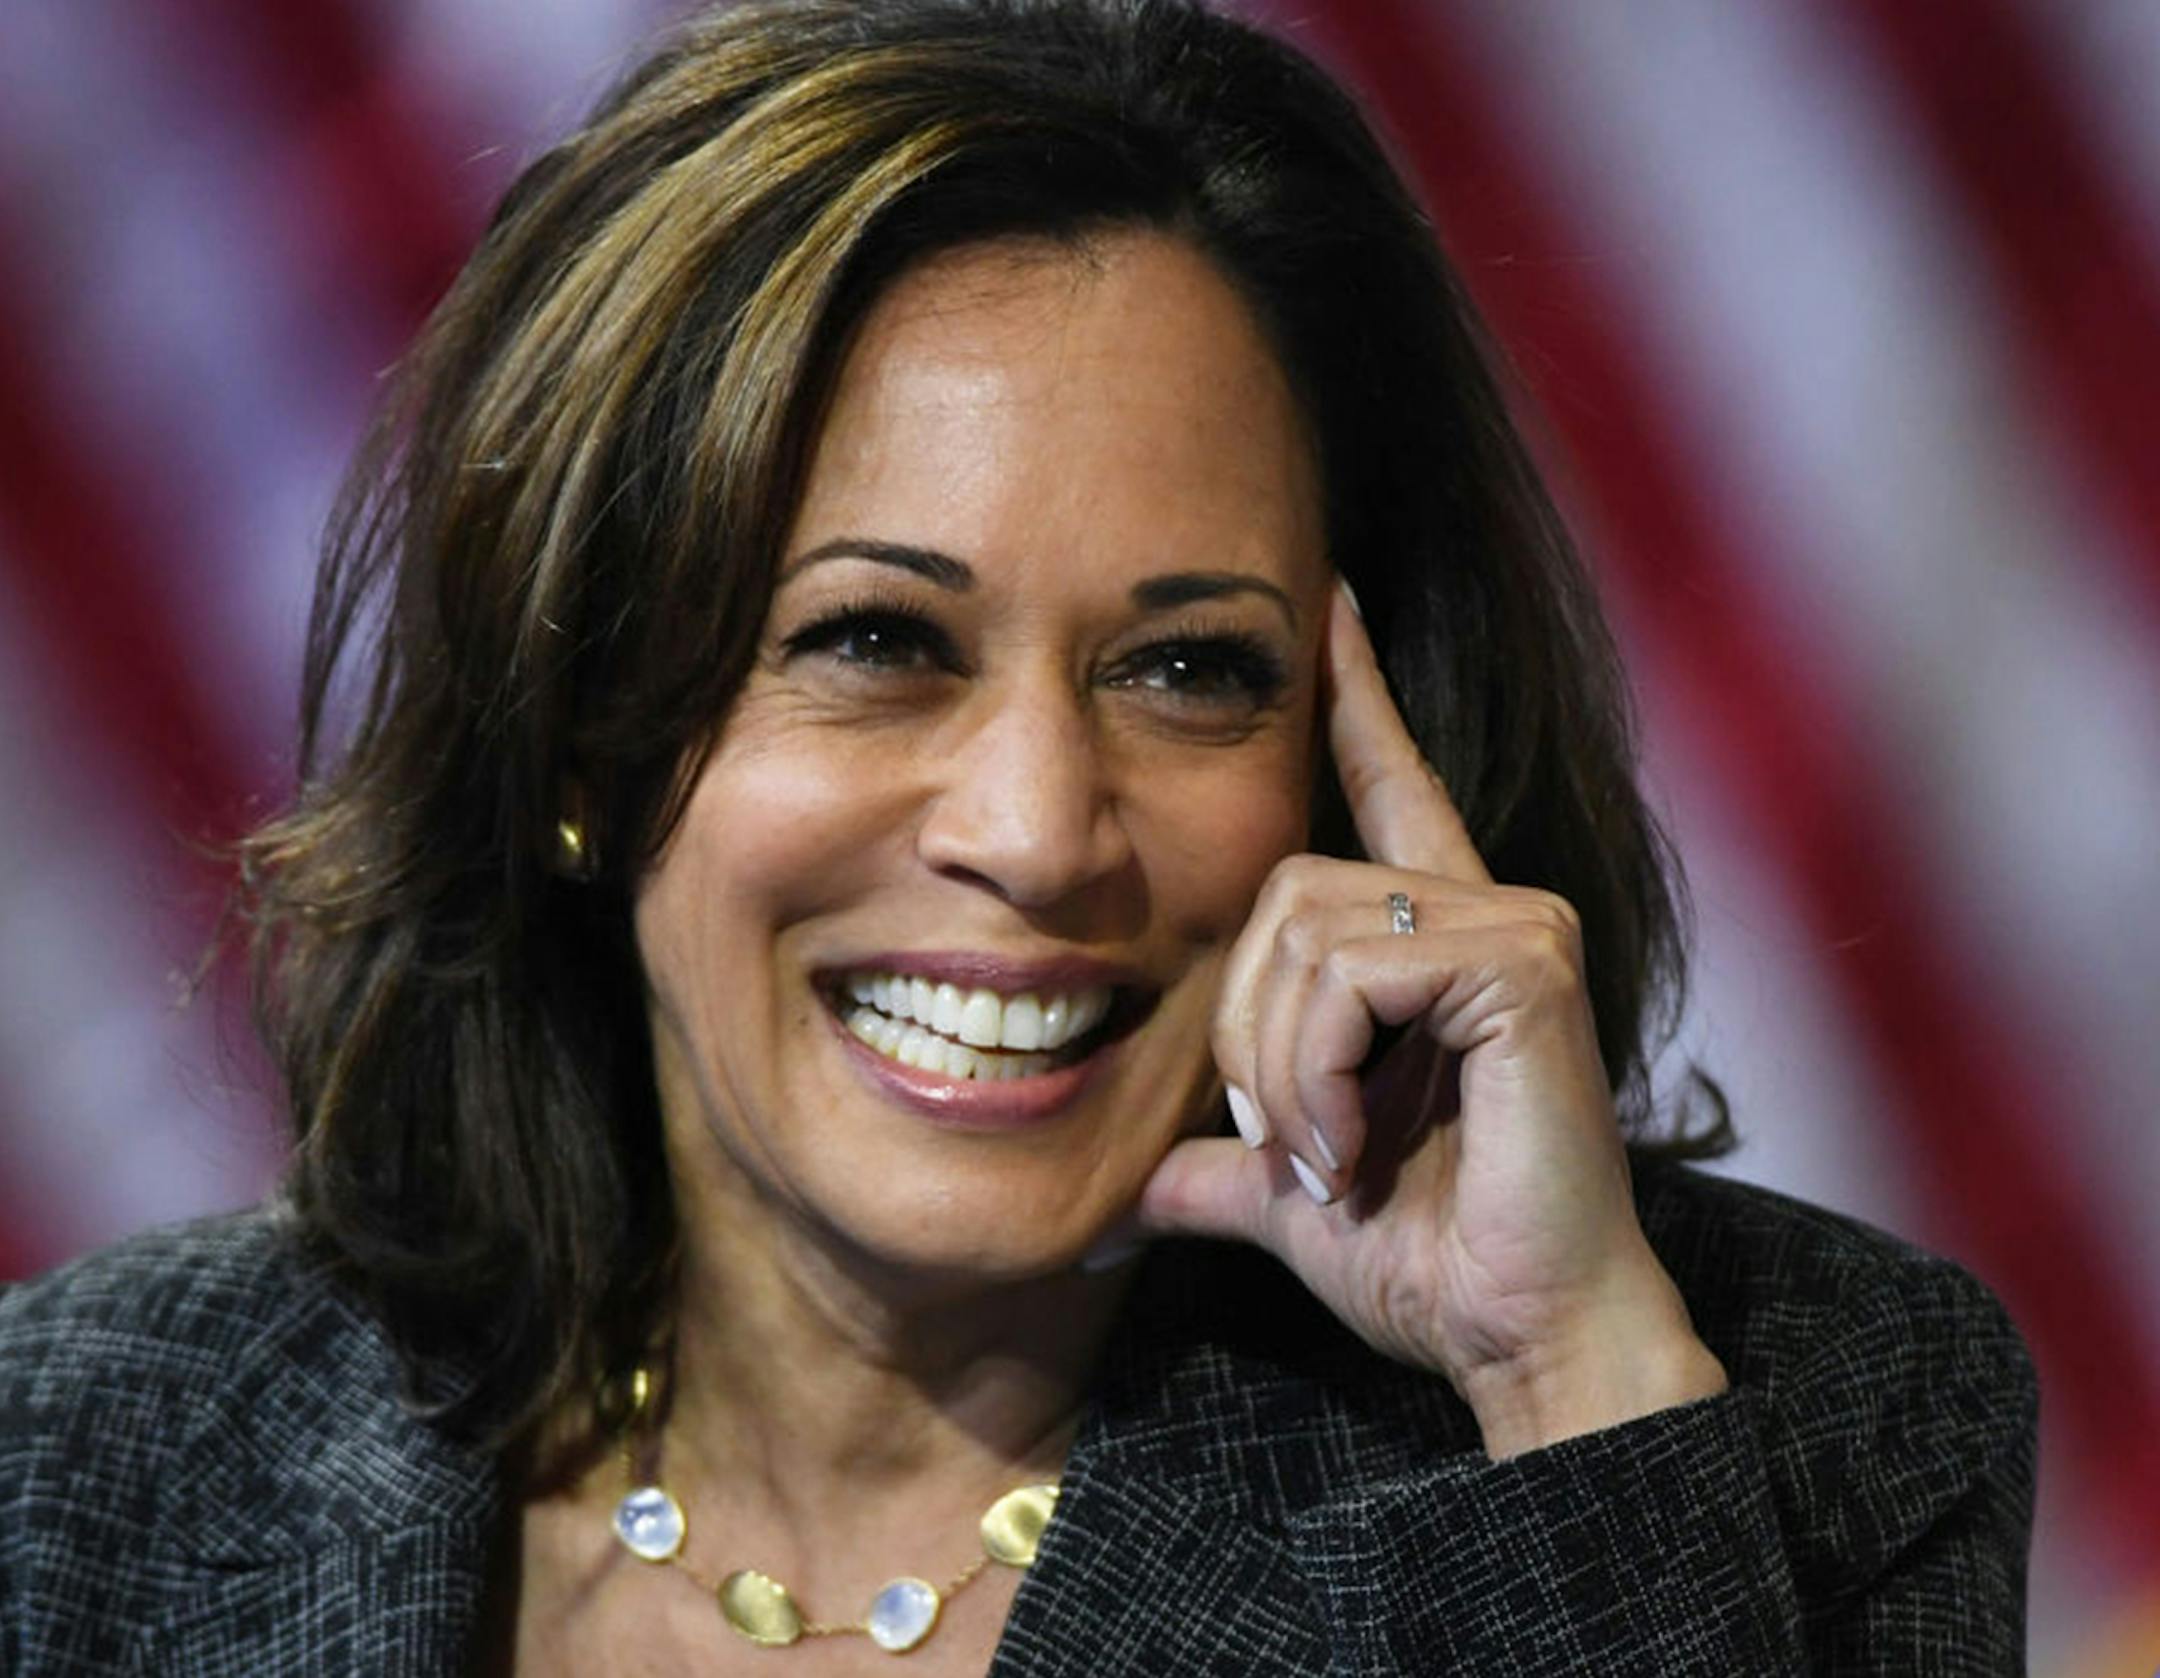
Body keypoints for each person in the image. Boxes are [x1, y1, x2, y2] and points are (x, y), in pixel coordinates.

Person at [0, 0, 2035, 1670]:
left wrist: (1563, 1384)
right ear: (589, 727)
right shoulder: (85, 1459)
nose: (1041, 828)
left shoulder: (1791, 1414)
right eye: (876, 640)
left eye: (1188, 671)